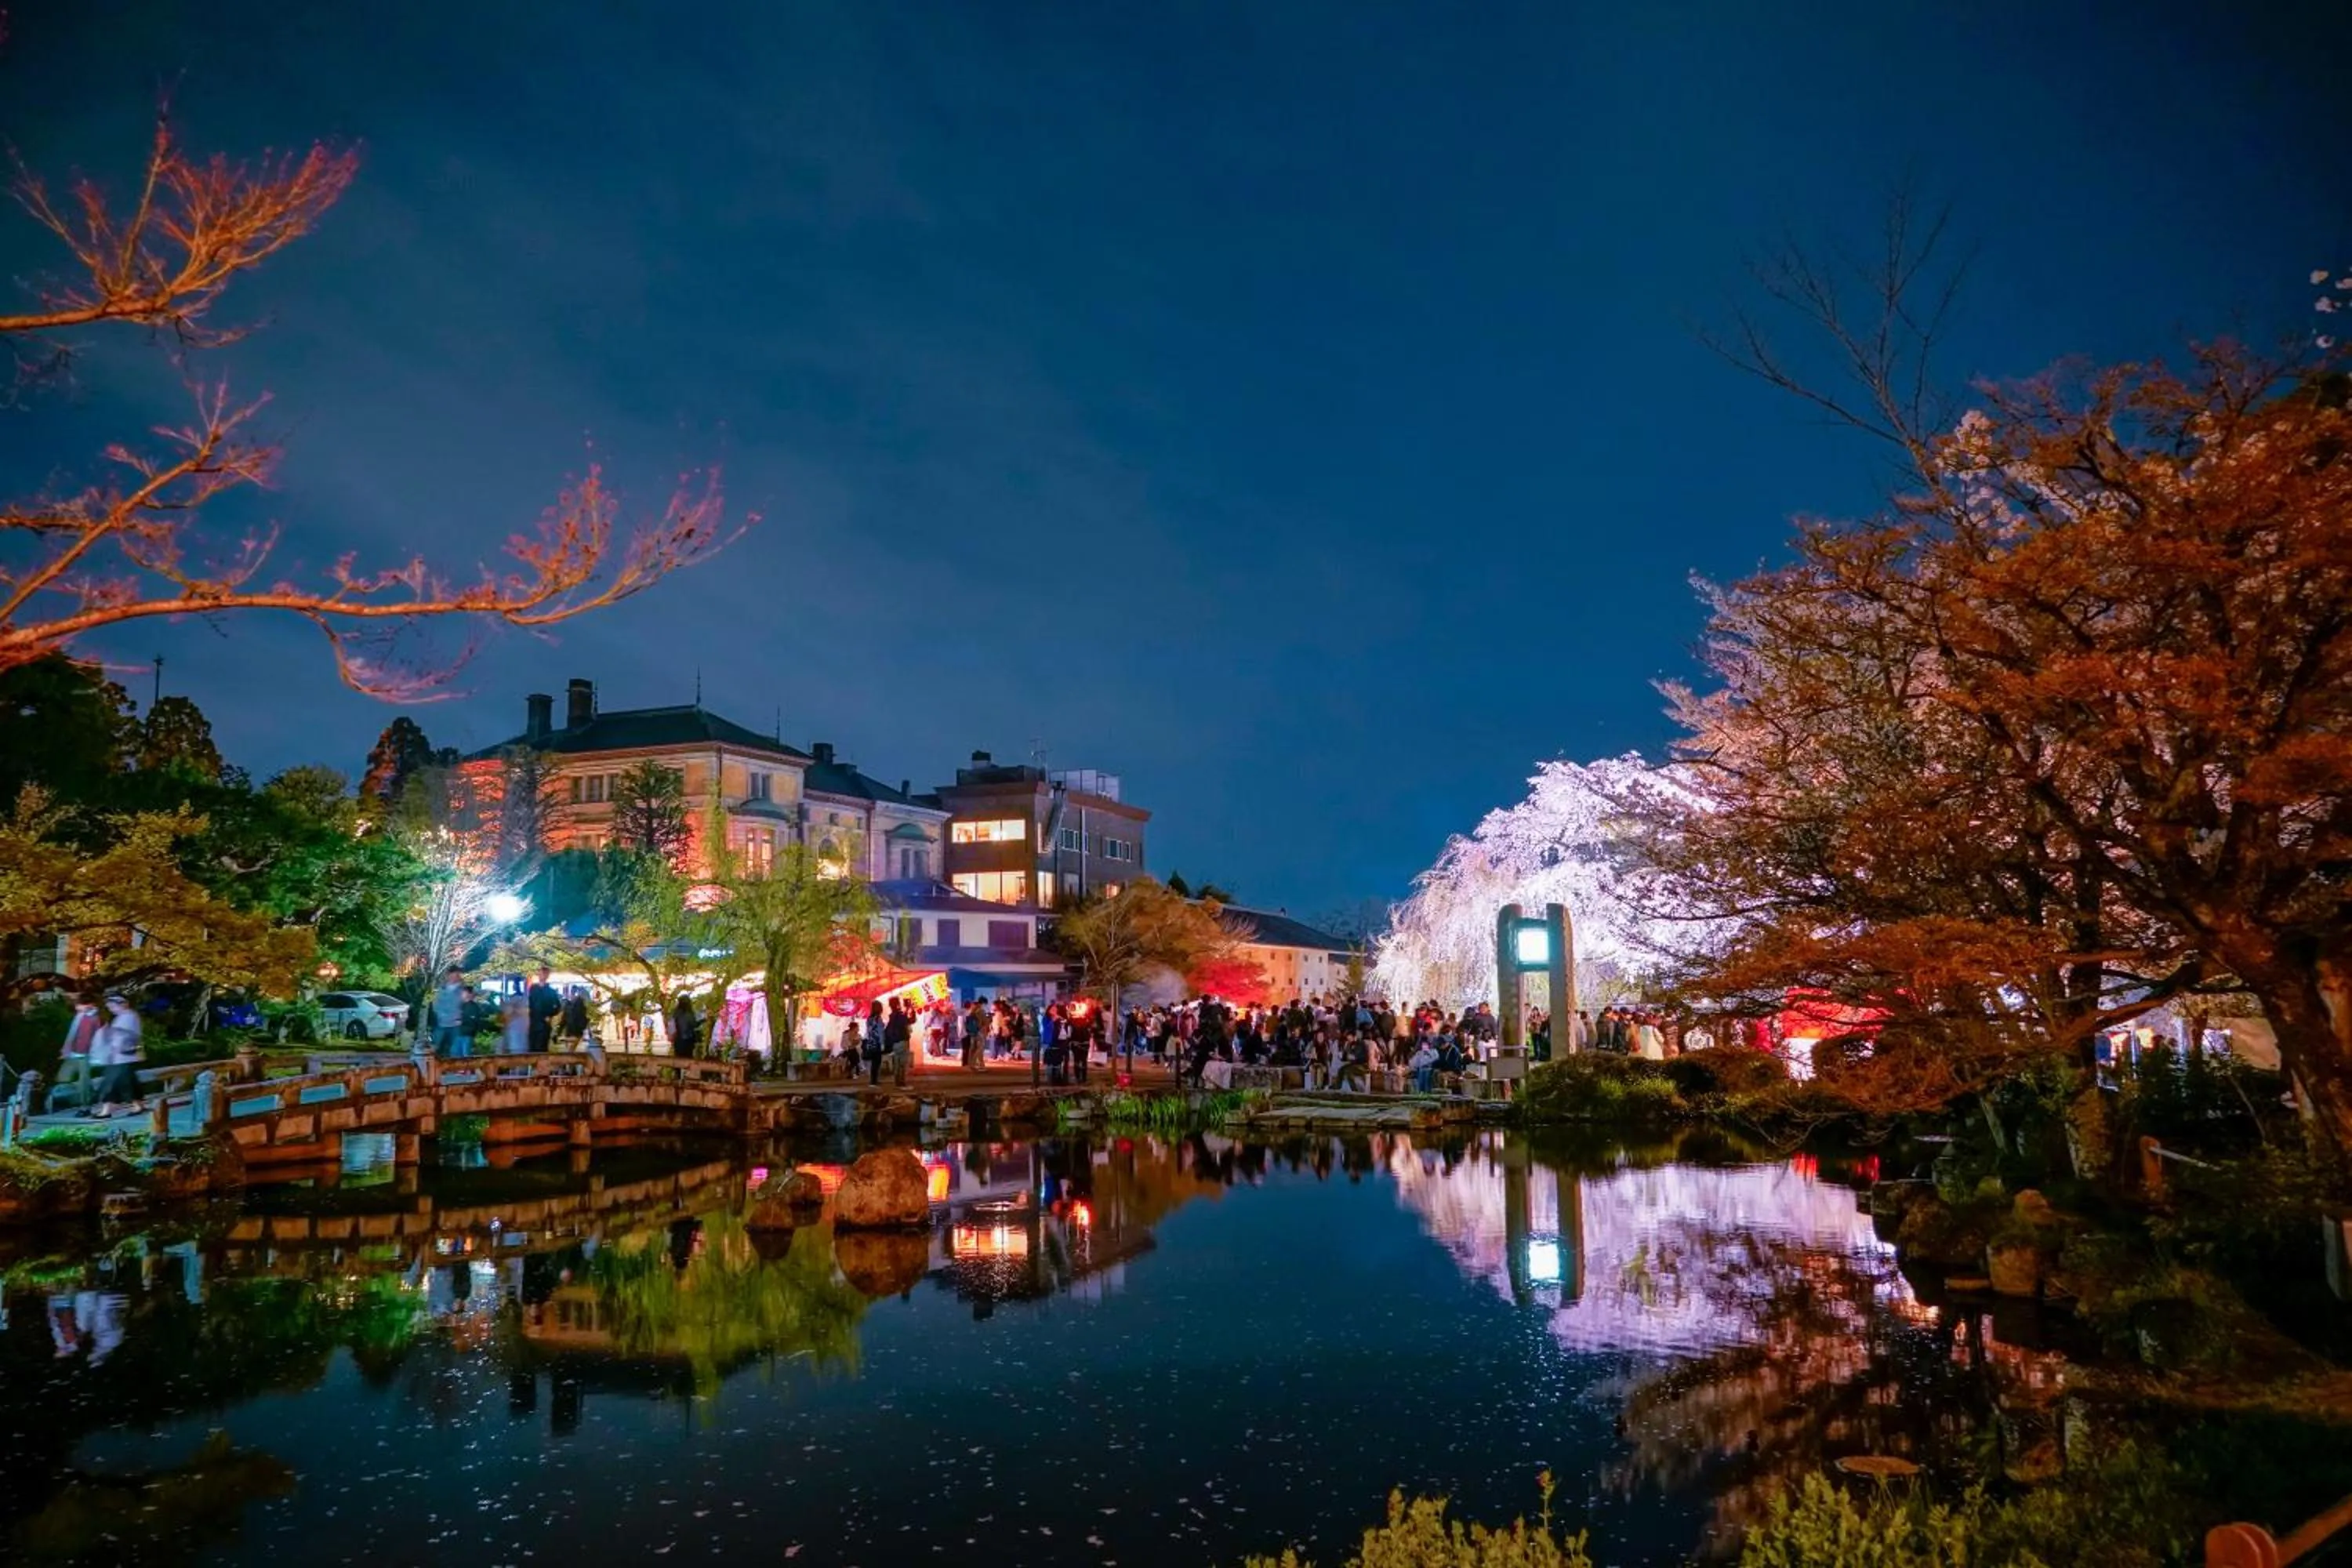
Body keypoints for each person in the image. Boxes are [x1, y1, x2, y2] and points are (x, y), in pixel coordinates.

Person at [88, 994, 145, 1120]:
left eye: (113, 1006)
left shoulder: (129, 1016)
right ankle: (134, 1105)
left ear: (122, 1004)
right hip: (119, 1057)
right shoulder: (124, 1017)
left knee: (113, 1082)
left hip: (124, 1056)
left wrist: (109, 1033)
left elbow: (127, 1036)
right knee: (125, 1082)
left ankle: (109, 1109)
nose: (111, 1009)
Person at [52, 996, 100, 1113]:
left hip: (85, 1053)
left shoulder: (92, 1018)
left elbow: (93, 1037)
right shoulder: (80, 1016)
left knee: (84, 1079)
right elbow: (72, 1034)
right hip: (74, 1052)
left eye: (79, 1005)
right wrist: (66, 1049)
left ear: (88, 1005)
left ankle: (85, 1106)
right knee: (63, 1077)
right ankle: (90, 1098)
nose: (77, 1007)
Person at [432, 964, 468, 1058]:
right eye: (455, 974)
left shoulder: (462, 990)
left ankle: (455, 1069)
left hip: (456, 1023)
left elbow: (466, 1004)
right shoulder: (441, 988)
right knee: (435, 1046)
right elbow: (435, 1004)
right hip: (441, 1022)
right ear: (449, 975)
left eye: (459, 975)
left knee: (454, 1049)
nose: (457, 977)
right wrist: (438, 1014)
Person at [526, 967, 561, 1052]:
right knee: (532, 1047)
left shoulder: (551, 991)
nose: (541, 976)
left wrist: (550, 1015)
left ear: (547, 975)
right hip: (533, 1023)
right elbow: (530, 1004)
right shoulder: (533, 989)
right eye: (540, 974)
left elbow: (558, 1007)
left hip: (544, 1024)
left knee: (542, 1047)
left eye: (544, 974)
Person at [671, 993, 701, 1060]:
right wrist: (703, 1020)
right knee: (688, 1060)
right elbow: (694, 1024)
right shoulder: (688, 1014)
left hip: (678, 1040)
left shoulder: (676, 1013)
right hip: (687, 1040)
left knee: (678, 1060)